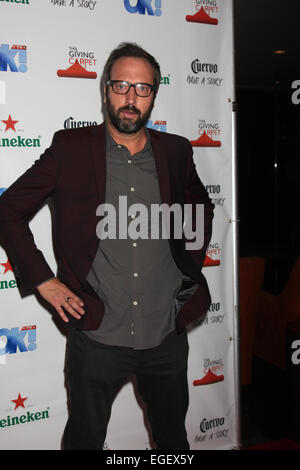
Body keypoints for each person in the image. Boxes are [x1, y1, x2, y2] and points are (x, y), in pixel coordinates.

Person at [0, 42, 214, 450]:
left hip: (165, 335)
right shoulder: (71, 149)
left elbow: (200, 207)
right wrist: (44, 280)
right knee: (85, 441)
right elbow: (8, 209)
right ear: (105, 90)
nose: (131, 99)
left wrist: (187, 263)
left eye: (143, 89)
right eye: (121, 86)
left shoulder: (176, 152)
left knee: (172, 441)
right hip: (97, 336)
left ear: (154, 95)